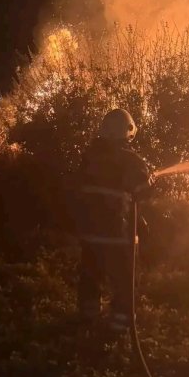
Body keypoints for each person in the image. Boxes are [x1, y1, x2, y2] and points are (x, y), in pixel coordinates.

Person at [75, 108, 154, 333]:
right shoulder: (132, 160)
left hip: (90, 234)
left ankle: (86, 318)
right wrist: (150, 179)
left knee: (90, 275)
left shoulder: (89, 157)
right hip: (118, 234)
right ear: (128, 132)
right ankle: (119, 327)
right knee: (124, 281)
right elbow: (142, 192)